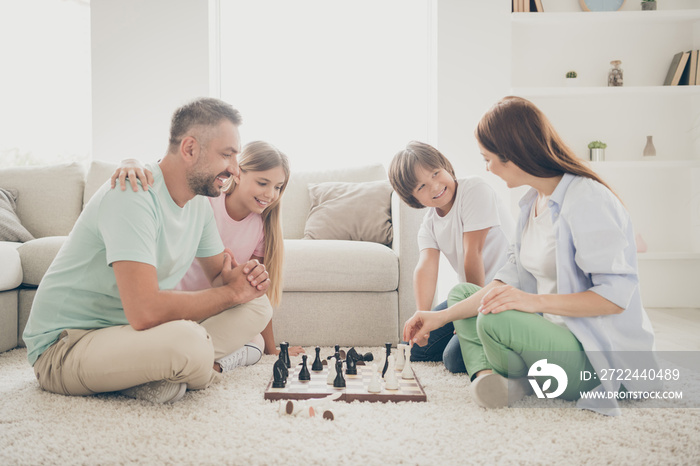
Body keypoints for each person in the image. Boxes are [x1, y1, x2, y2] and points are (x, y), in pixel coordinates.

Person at [403, 96, 659, 415]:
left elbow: (615, 298)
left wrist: (532, 302)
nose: (486, 168)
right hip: (551, 333)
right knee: (462, 295)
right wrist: (437, 317)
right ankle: (493, 378)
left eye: (488, 158)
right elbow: (506, 279)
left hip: (599, 357)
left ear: (512, 155)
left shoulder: (586, 199)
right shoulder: (530, 204)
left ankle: (519, 381)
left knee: (493, 318)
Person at [22, 97, 273, 404]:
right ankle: (185, 367)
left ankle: (163, 372)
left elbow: (219, 277)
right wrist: (231, 293)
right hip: (66, 347)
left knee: (259, 306)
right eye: (227, 155)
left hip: (129, 335)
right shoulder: (133, 194)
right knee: (190, 342)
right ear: (190, 149)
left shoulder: (200, 206)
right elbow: (145, 312)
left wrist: (240, 281)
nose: (235, 169)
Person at [111, 141, 304, 357]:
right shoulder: (208, 200)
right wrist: (131, 162)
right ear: (237, 174)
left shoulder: (261, 228)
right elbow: (172, 176)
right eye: (262, 183)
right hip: (173, 305)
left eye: (278, 187)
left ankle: (213, 364)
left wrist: (271, 350)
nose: (270, 194)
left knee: (256, 342)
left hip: (210, 313)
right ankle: (190, 354)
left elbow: (257, 291)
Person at [388, 141, 513, 373]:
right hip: (472, 296)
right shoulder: (429, 224)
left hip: (504, 290)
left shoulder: (474, 189)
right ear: (413, 198)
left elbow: (472, 254)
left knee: (454, 359)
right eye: (422, 186)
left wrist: (469, 312)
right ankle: (481, 339)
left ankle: (510, 346)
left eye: (436, 173)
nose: (435, 186)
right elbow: (425, 268)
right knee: (413, 347)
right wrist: (422, 318)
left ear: (446, 166)